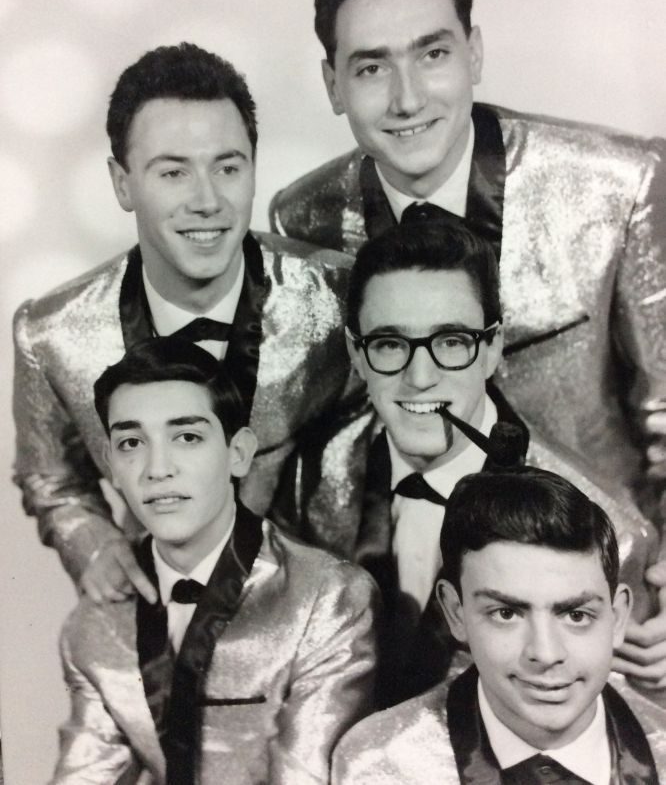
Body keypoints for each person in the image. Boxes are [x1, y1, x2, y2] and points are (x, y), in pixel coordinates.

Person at [268, 0, 666, 539]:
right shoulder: (301, 220)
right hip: (406, 557)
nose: (407, 99)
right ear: (333, 86)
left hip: (605, 557)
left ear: (473, 54)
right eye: (372, 67)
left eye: (432, 55)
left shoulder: (622, 183)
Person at [13, 42, 369, 605]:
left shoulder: (341, 294)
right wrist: (91, 544)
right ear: (122, 183)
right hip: (163, 614)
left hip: (333, 605)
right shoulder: (50, 333)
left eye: (227, 167)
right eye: (173, 172)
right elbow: (50, 478)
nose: (207, 200)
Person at [273, 221, 663, 704]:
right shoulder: (309, 478)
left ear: (492, 348)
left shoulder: (607, 535)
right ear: (357, 352)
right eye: (390, 344)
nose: (420, 377)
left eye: (451, 342)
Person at [50, 337, 378, 785]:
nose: (157, 468)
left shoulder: (329, 598)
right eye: (131, 442)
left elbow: (306, 777)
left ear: (238, 453)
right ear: (111, 464)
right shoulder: (96, 622)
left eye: (187, 437)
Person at [332, 469, 666, 784]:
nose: (545, 653)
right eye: (506, 614)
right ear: (456, 613)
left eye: (576, 615)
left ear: (617, 617)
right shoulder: (379, 764)